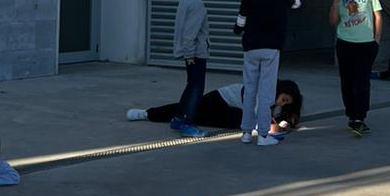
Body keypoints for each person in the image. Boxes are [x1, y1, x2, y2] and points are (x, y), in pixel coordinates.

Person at [234, 0, 301, 146]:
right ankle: (263, 135)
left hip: (250, 47)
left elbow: (240, 22)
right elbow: (297, 2)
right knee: (266, 93)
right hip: (271, 48)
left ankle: (246, 132)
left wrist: (238, 29)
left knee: (249, 90)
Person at [129, 80, 304, 135]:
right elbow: (257, 119)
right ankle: (147, 113)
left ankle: (181, 119)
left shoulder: (277, 106)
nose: (282, 104)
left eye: (286, 103)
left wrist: (284, 123)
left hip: (233, 110)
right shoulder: (262, 93)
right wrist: (270, 127)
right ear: (279, 90)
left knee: (232, 120)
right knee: (187, 109)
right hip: (220, 98)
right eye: (284, 99)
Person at [329, 0, 383, 135]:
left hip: (366, 44)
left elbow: (377, 15)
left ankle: (360, 117)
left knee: (362, 81)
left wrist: (377, 39)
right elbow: (332, 22)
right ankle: (352, 116)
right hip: (345, 43)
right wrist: (335, 2)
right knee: (347, 82)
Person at [171, 0, 215, 138]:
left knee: (191, 85)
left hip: (191, 53)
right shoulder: (197, 4)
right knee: (197, 88)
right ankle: (188, 123)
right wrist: (190, 55)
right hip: (196, 54)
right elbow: (190, 33)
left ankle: (178, 118)